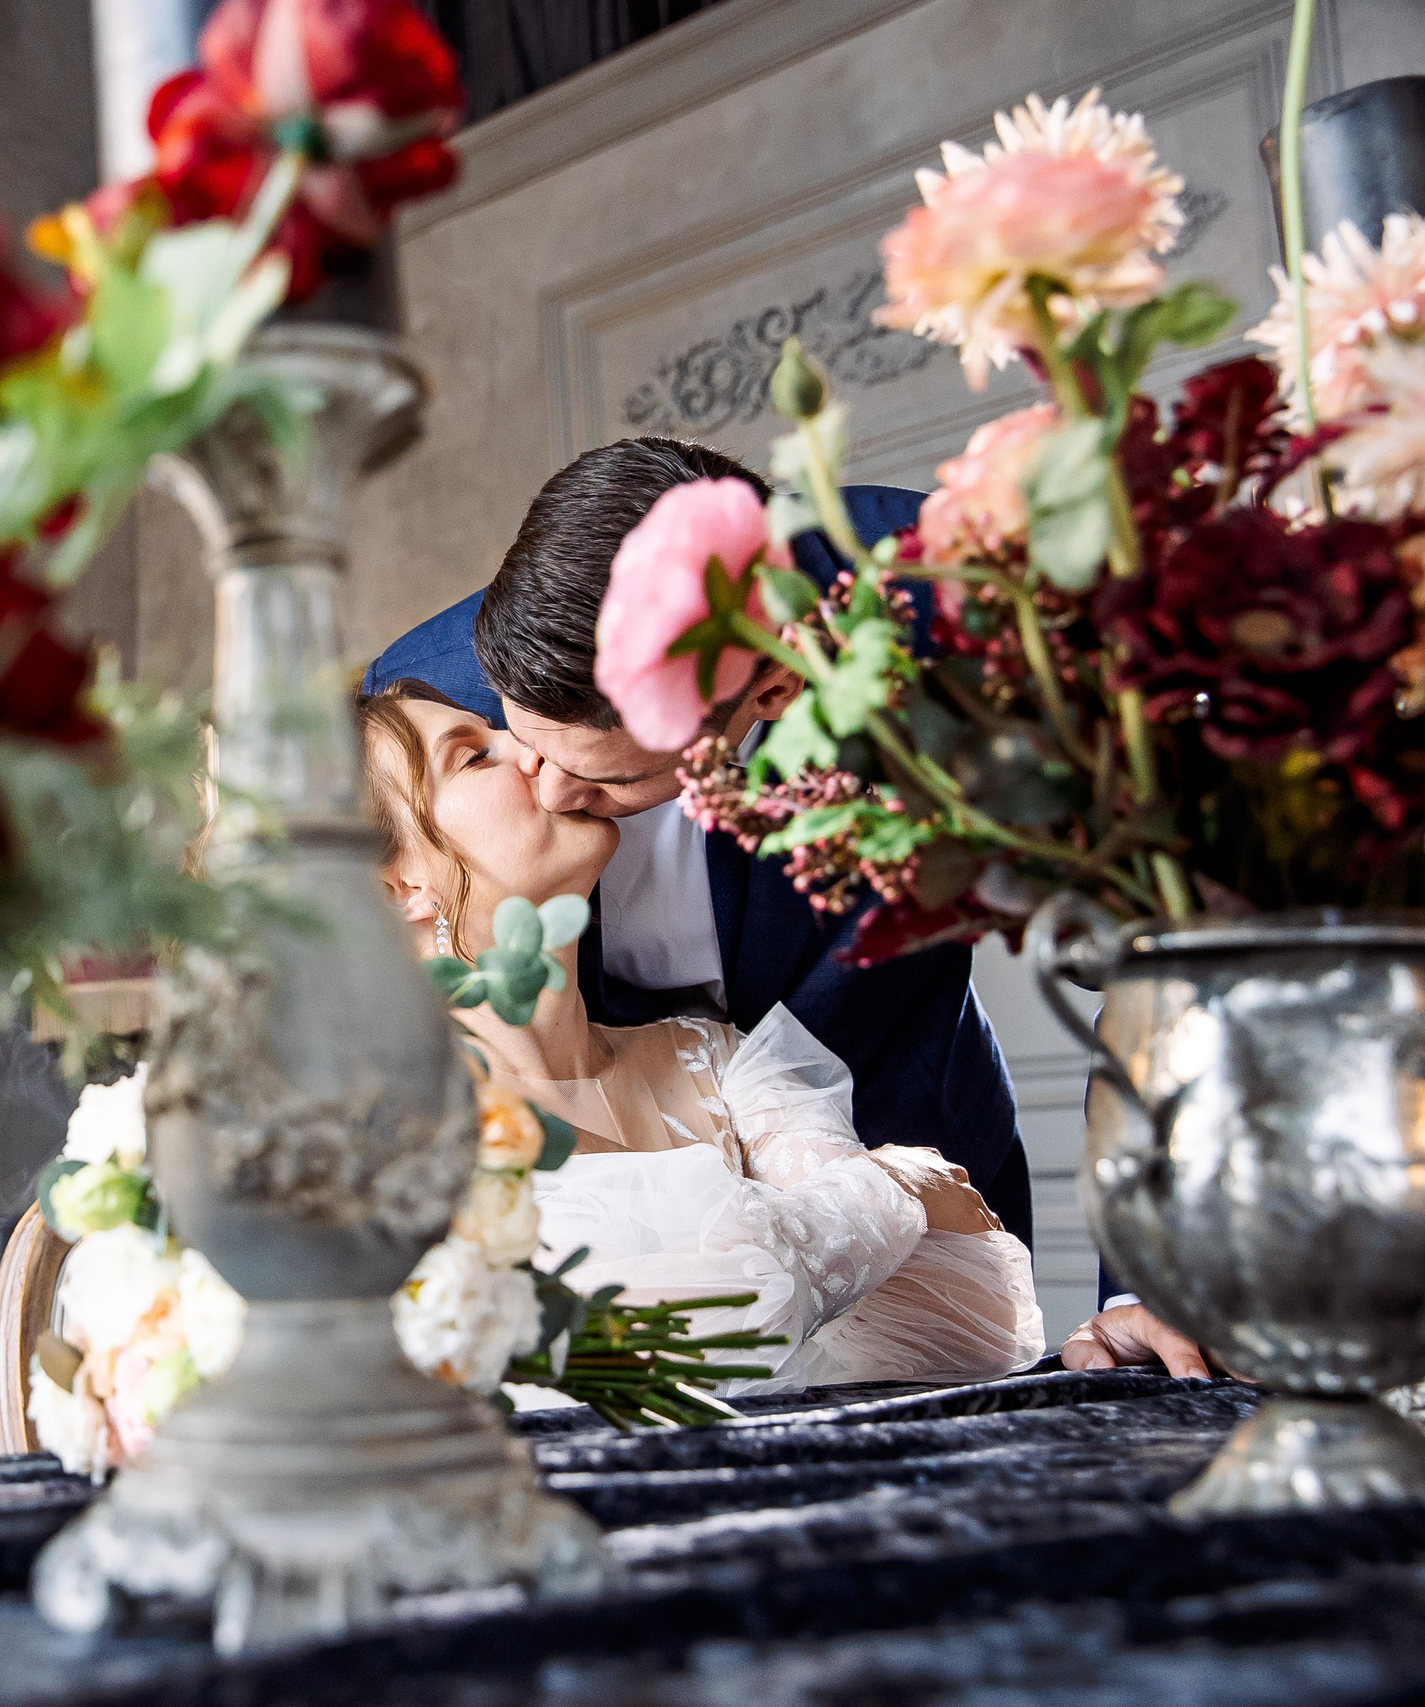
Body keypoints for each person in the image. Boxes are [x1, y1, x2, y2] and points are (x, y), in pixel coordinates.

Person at [366, 433, 1208, 1375]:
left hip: (912, 1150)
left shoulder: (971, 613)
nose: (549, 786)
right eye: (516, 741)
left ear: (773, 685)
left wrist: (1160, 1283)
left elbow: (1167, 948)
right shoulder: (435, 696)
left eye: (607, 780)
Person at [359, 682, 1043, 1388]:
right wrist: (900, 1183)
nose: (535, 750)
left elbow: (977, 1317)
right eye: (474, 756)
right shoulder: (399, 1125)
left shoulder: (715, 1056)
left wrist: (807, 1244)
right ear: (395, 888)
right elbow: (663, 1340)